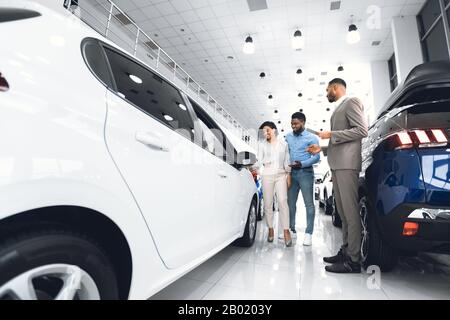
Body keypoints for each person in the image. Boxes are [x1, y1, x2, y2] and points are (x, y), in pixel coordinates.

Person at [314, 78, 368, 273]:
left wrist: (332, 134)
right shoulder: (339, 108)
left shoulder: (351, 102)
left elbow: (362, 130)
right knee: (343, 213)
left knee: (351, 213)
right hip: (337, 165)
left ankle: (354, 260)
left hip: (346, 165)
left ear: (335, 88)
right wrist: (320, 148)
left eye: (327, 89)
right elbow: (340, 140)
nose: (326, 93)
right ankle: (346, 251)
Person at [252, 121, 293, 247]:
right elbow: (258, 161)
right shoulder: (261, 145)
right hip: (267, 175)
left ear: (274, 130)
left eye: (267, 130)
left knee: (282, 201)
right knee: (268, 204)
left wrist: (289, 174)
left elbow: (287, 161)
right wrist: (252, 167)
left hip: (281, 175)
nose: (265, 133)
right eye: (263, 131)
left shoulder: (283, 144)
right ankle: (271, 229)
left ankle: (286, 231)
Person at [285, 112, 320, 246]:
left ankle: (308, 233)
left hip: (305, 173)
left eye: (296, 123)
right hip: (292, 174)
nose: (293, 126)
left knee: (309, 204)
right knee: (290, 203)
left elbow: (316, 157)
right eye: (292, 123)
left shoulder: (311, 138)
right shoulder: (288, 136)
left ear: (303, 123)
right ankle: (291, 229)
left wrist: (302, 164)